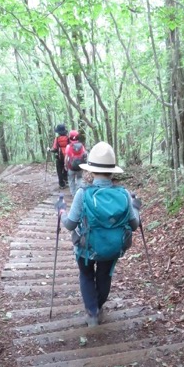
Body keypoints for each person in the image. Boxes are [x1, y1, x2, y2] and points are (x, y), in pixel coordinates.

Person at [60, 142, 141, 327]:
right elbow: (134, 225)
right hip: (112, 247)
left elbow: (70, 224)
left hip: (85, 248)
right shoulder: (124, 194)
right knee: (105, 276)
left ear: (91, 170)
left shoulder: (83, 193)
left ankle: (92, 312)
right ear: (112, 171)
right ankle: (97, 307)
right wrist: (136, 208)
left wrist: (62, 212)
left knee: (86, 275)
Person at [64, 130, 88, 198]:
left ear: (70, 137)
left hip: (71, 167)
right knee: (79, 178)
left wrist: (65, 165)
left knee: (71, 180)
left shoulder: (68, 146)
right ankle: (79, 193)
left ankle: (74, 195)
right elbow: (85, 155)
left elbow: (66, 158)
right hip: (80, 166)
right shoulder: (82, 146)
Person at [50, 124, 69, 188]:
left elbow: (54, 148)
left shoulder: (57, 139)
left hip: (59, 157)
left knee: (59, 170)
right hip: (67, 157)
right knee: (66, 168)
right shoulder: (68, 138)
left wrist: (50, 150)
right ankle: (66, 179)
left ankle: (61, 184)